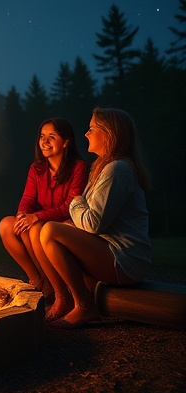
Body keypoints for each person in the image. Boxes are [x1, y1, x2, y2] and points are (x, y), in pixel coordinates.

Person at [39, 108, 152, 328]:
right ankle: (71, 300)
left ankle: (84, 306)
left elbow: (92, 223)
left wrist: (75, 201)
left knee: (50, 231)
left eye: (92, 129)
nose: (86, 134)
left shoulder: (117, 169)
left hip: (125, 259)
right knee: (57, 229)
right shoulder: (105, 167)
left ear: (109, 134)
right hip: (114, 254)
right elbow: (93, 222)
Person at [0, 118, 88, 300]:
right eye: (42, 136)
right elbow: (28, 198)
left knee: (33, 228)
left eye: (52, 137)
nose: (44, 142)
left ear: (66, 142)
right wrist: (22, 214)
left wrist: (35, 217)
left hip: (63, 224)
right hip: (38, 220)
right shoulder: (37, 168)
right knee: (7, 225)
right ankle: (38, 280)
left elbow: (69, 206)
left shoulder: (78, 167)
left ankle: (56, 288)